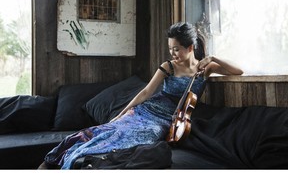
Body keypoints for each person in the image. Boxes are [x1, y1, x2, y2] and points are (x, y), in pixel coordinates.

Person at [38, 22, 243, 169]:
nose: (172, 53)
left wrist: (214, 57)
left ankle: (86, 158)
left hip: (167, 120)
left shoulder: (204, 69)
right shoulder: (168, 66)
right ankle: (60, 158)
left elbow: (238, 71)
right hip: (146, 110)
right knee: (110, 129)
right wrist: (122, 114)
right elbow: (146, 92)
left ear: (190, 47)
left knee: (143, 135)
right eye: (170, 49)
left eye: (177, 49)